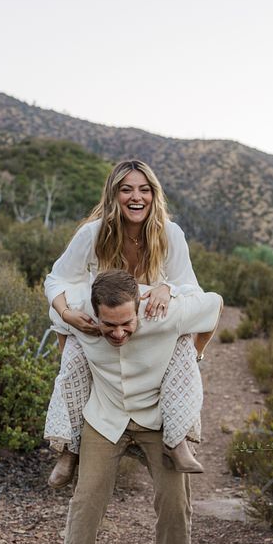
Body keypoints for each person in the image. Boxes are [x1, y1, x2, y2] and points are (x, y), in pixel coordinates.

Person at [35, 270, 222, 544]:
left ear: (138, 307)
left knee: (175, 499)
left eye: (126, 324)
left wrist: (195, 353)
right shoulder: (78, 313)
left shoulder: (168, 314)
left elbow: (215, 306)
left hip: (156, 418)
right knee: (86, 500)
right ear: (94, 312)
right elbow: (57, 309)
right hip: (104, 416)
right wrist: (71, 345)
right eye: (109, 325)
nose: (119, 333)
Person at [44, 159, 207, 488]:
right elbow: (56, 279)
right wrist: (65, 313)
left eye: (144, 190)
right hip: (106, 324)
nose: (136, 197)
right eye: (127, 189)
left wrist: (167, 288)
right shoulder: (93, 233)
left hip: (150, 324)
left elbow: (192, 288)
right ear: (113, 194)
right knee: (72, 337)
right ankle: (70, 449)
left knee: (184, 342)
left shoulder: (170, 233)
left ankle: (179, 439)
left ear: (154, 195)